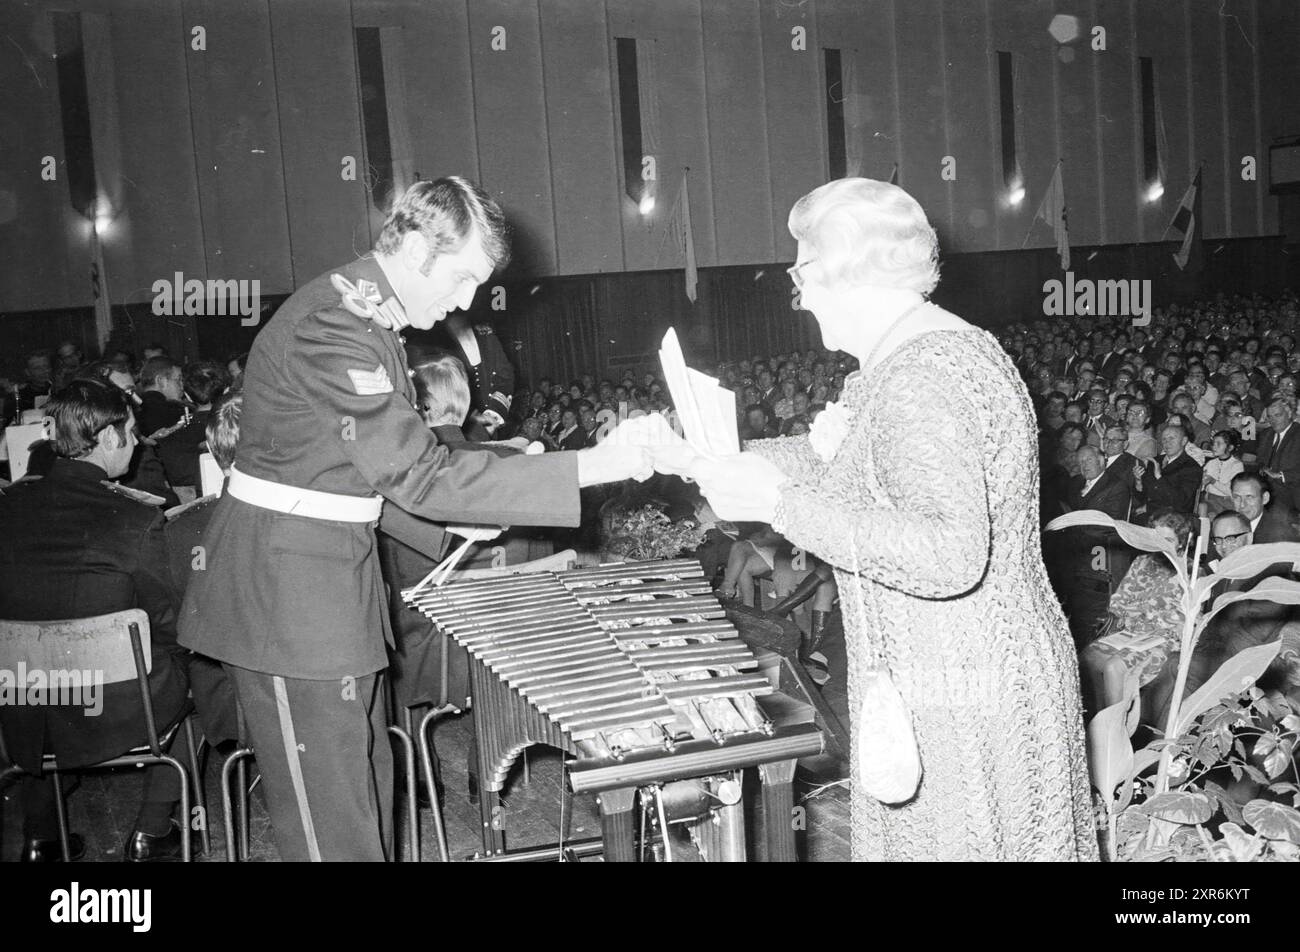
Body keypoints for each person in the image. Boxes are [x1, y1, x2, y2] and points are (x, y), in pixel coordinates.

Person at [178, 177, 652, 862]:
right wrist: (592, 466)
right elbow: (415, 472)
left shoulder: (366, 319)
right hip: (287, 608)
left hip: (328, 598)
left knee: (365, 793)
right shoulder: (335, 326)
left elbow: (353, 475)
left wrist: (453, 527)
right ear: (417, 245)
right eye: (462, 278)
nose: (464, 301)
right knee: (330, 832)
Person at [658, 178, 1096, 861]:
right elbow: (843, 461)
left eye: (801, 270)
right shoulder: (905, 358)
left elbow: (948, 552)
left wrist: (777, 504)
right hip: (949, 671)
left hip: (965, 686)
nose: (797, 294)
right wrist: (715, 458)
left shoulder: (924, 374)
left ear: (848, 271)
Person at [0, 381, 193, 861]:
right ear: (108, 438)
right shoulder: (136, 518)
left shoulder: (7, 510)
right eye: (130, 432)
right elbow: (167, 622)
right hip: (119, 711)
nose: (133, 442)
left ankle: (41, 837)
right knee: (195, 674)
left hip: (24, 705)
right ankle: (151, 831)